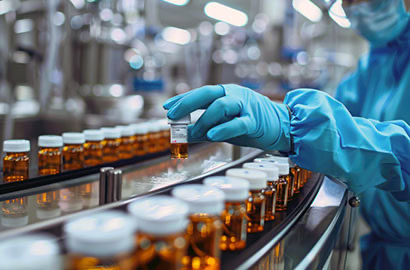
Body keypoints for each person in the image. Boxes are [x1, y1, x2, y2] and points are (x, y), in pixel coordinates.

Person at [163, 0, 410, 269]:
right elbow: (345, 132)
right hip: (382, 250)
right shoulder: (368, 70)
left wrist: (290, 126)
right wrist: (285, 124)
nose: (356, 7)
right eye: (348, 1)